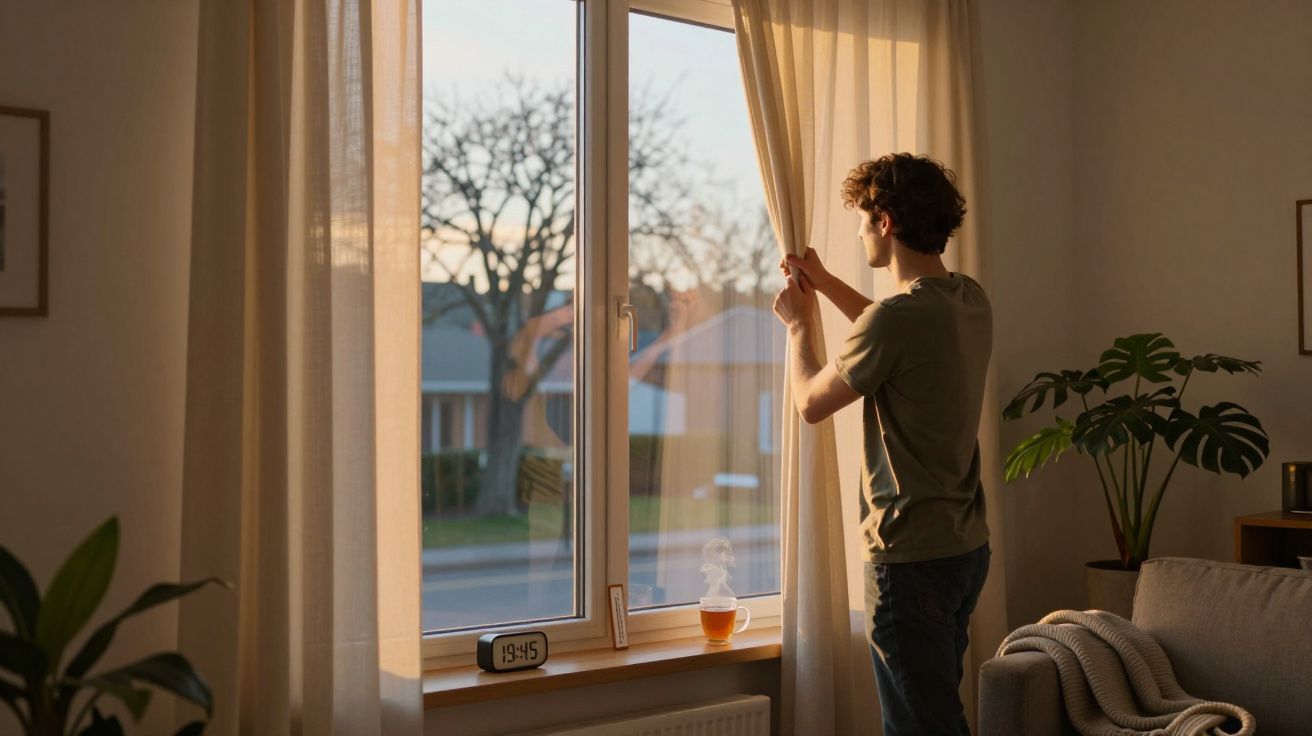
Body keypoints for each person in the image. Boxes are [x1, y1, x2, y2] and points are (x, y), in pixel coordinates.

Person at [770, 153, 991, 736]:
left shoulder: (896, 321)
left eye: (863, 221)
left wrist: (799, 327)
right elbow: (893, 333)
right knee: (937, 712)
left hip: (910, 556)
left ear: (885, 222)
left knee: (922, 727)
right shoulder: (969, 299)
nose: (861, 234)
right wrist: (827, 282)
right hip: (965, 549)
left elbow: (812, 403)